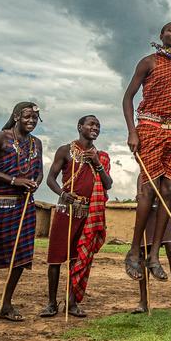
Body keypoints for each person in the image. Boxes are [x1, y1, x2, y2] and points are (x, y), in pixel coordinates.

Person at [122, 22, 171, 284]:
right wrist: (132, 131)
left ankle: (154, 255)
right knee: (149, 189)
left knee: (169, 190)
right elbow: (127, 98)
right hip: (149, 128)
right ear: (161, 36)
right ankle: (132, 251)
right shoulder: (148, 62)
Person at [0, 101, 43, 323]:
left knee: (21, 255)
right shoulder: (0, 137)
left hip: (25, 203)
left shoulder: (37, 143)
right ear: (16, 116)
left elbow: (39, 172)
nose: (31, 121)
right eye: (27, 117)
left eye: (35, 118)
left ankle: (6, 303)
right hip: (0, 202)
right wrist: (14, 180)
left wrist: (35, 183)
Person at [40, 115, 112, 318]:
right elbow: (50, 179)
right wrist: (63, 194)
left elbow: (107, 184)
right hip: (66, 210)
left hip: (88, 213)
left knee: (78, 259)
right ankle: (51, 303)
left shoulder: (102, 156)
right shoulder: (65, 151)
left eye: (98, 125)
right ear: (80, 127)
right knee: (55, 259)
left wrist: (97, 163)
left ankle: (71, 303)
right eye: (91, 124)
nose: (95, 127)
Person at [132, 139, 171, 318]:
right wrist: (142, 193)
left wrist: (169, 189)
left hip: (168, 198)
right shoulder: (157, 136)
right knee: (145, 250)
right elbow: (143, 172)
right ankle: (143, 301)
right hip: (149, 199)